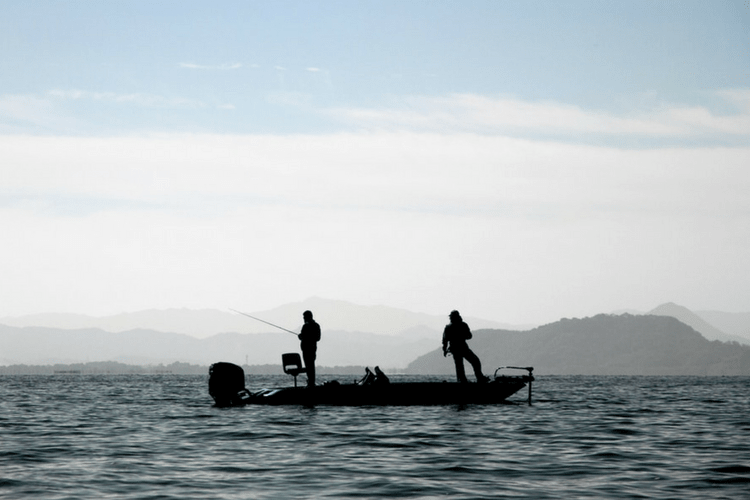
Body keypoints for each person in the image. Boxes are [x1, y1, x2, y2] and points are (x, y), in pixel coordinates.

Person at [442, 310, 488, 383]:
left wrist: (444, 350)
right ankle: (478, 378)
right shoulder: (462, 325)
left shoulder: (449, 327)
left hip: (456, 348)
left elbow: (445, 340)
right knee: (474, 361)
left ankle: (463, 380)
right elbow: (469, 336)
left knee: (460, 365)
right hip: (462, 348)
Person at [298, 310, 321, 388]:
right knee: (310, 367)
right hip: (308, 350)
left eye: (304, 317)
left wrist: (303, 336)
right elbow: (317, 338)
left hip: (309, 350)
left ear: (308, 317)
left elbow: (317, 338)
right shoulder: (314, 326)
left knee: (310, 367)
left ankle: (311, 383)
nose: (303, 319)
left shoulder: (309, 326)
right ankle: (311, 382)